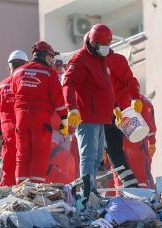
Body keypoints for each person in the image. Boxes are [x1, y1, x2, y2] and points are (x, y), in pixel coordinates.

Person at [62, 24, 119, 189]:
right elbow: (68, 83)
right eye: (102, 46)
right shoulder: (80, 59)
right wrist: (72, 108)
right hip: (87, 116)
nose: (105, 49)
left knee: (97, 158)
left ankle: (92, 189)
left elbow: (106, 87)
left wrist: (114, 106)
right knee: (88, 156)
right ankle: (87, 191)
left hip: (101, 117)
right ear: (93, 43)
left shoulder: (100, 59)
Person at [11, 41, 67, 184]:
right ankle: (35, 189)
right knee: (40, 155)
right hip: (40, 118)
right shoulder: (49, 73)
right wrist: (64, 120)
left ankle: (20, 189)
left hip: (21, 119)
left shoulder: (18, 72)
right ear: (45, 56)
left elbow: (14, 92)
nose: (51, 60)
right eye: (50, 57)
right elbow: (58, 100)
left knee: (22, 154)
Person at [107, 46, 144, 188]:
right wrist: (135, 97)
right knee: (116, 149)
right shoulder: (118, 60)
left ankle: (128, 182)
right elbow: (130, 80)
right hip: (123, 111)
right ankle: (130, 183)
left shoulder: (96, 63)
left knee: (111, 150)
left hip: (109, 112)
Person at [0, 50, 28, 187]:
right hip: (26, 131)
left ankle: (6, 195)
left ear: (9, 67)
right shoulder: (28, 84)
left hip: (7, 134)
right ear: (26, 65)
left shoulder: (0, 87)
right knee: (26, 168)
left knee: (8, 170)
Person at [114, 95, 157, 188]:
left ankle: (120, 199)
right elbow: (149, 123)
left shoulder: (114, 99)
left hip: (117, 144)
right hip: (138, 142)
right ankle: (145, 200)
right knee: (142, 177)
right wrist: (152, 142)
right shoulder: (140, 100)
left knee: (121, 176)